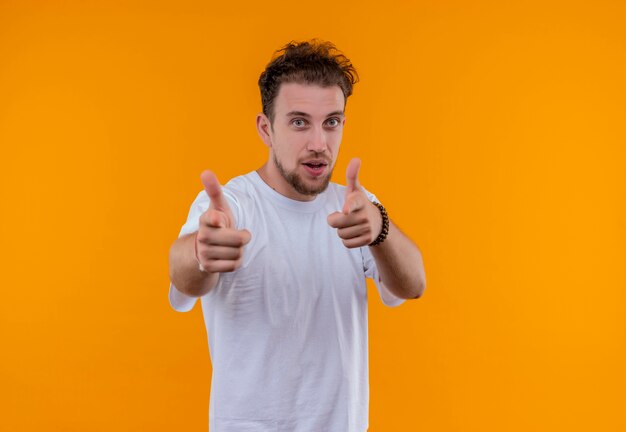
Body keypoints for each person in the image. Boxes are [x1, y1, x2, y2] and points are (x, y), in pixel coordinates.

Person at [168, 39, 426, 432]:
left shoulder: (355, 208)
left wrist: (380, 227)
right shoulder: (231, 206)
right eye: (299, 122)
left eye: (332, 122)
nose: (319, 144)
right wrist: (202, 253)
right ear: (266, 129)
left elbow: (414, 284)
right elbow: (183, 275)